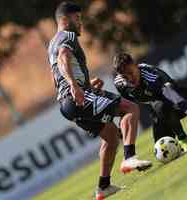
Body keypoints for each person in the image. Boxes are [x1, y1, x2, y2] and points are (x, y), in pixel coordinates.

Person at [47, 2, 152, 199]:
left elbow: (56, 76)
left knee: (111, 136)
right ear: (64, 20)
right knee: (130, 108)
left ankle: (103, 187)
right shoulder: (66, 37)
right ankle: (129, 158)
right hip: (75, 95)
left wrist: (84, 85)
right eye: (76, 18)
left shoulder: (51, 43)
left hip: (67, 103)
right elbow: (63, 57)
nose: (80, 23)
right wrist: (75, 86)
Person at [113, 52, 187, 152]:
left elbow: (168, 91)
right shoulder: (120, 84)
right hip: (160, 110)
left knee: (160, 106)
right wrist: (121, 128)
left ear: (135, 65)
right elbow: (128, 106)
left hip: (180, 98)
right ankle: (177, 146)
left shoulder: (150, 76)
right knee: (162, 148)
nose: (130, 79)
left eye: (131, 73)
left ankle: (184, 140)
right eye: (125, 76)